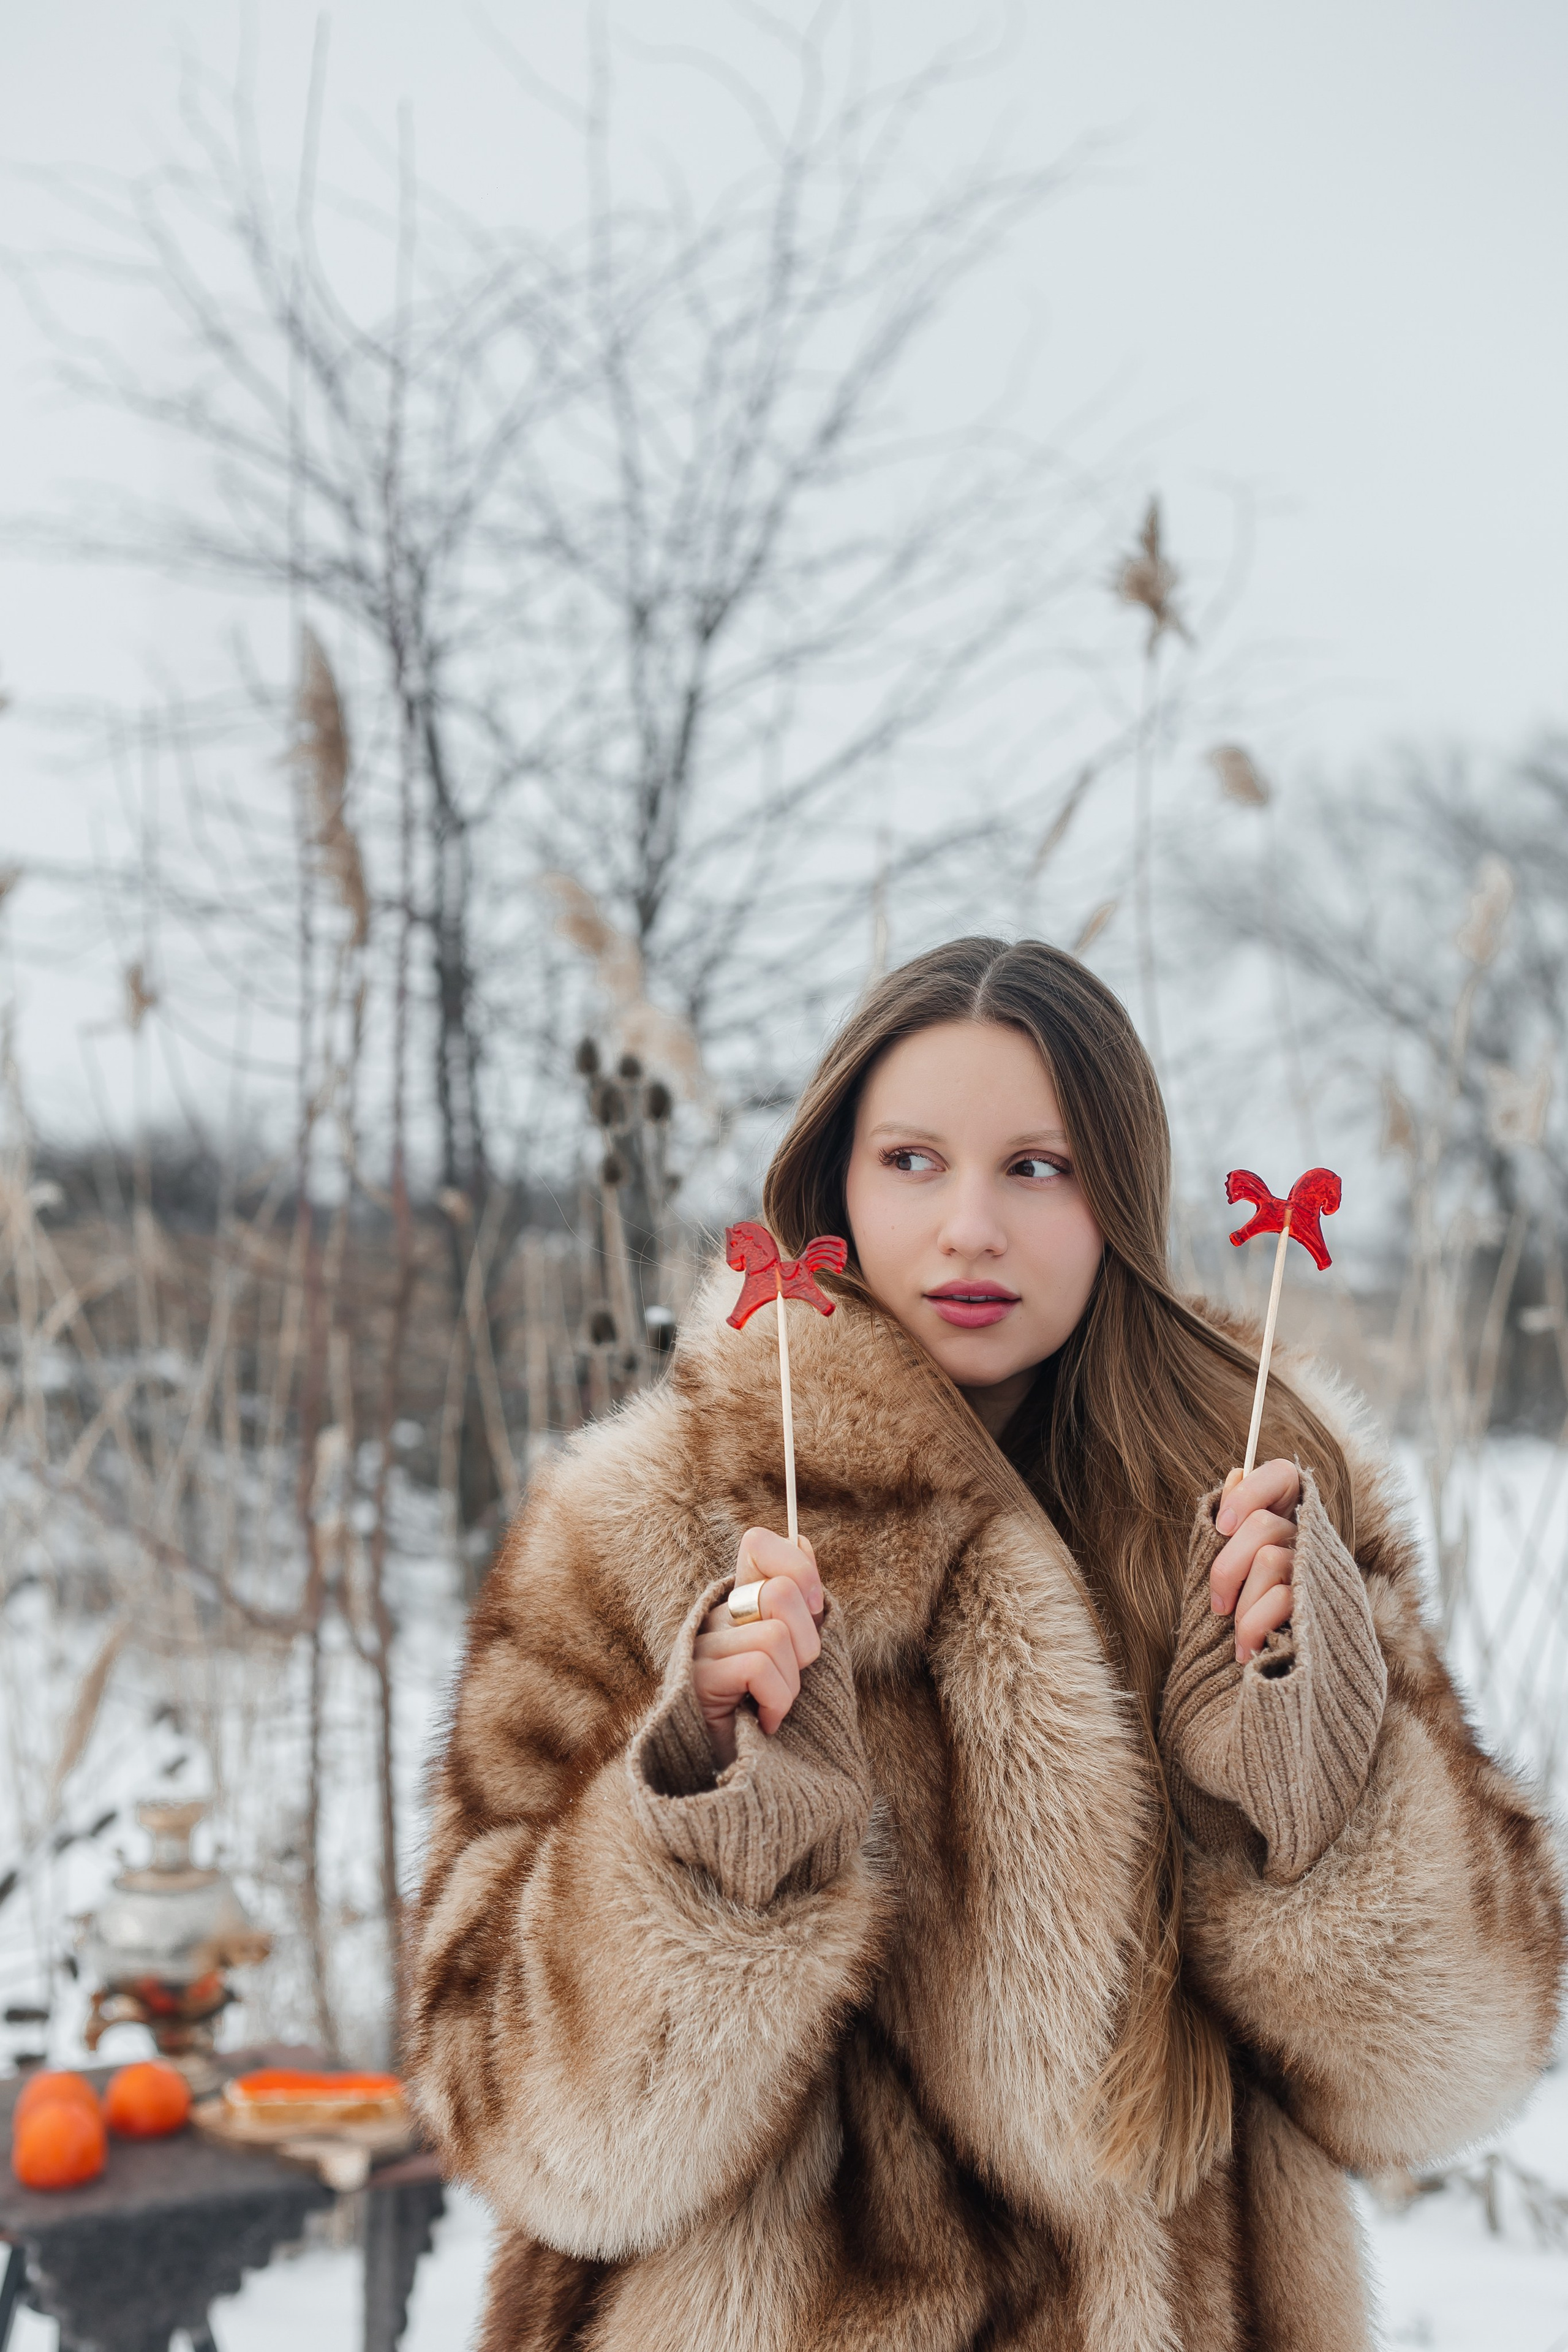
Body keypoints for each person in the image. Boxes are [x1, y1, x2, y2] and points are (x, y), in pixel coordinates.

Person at [408, 937, 1563, 2352]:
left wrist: (1314, 1795)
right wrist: (709, 1840)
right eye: (909, 1161)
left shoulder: (1258, 1506)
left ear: (1115, 1198)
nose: (969, 1227)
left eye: (1037, 1166)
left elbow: (1442, 2082)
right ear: (832, 1181)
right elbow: (527, 2140)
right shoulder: (646, 1525)